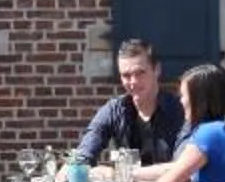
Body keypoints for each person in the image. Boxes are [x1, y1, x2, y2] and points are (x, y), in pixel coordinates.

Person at [74, 38, 186, 172]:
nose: (133, 82)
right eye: (126, 75)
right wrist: (73, 167)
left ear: (157, 70)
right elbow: (84, 154)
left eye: (140, 73)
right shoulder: (114, 110)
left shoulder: (181, 111)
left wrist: (121, 173)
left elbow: (184, 169)